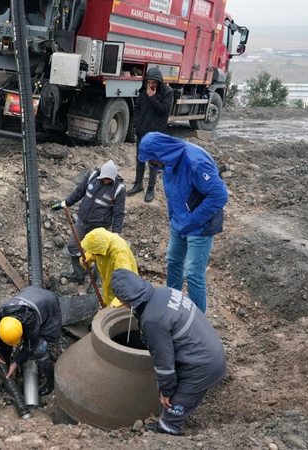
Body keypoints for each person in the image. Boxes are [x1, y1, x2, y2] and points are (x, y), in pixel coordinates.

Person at [110, 268, 227, 436]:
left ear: (126, 300)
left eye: (121, 300)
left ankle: (167, 433)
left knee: (172, 408)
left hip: (203, 365)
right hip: (209, 348)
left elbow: (164, 363)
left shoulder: (152, 320)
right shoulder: (165, 292)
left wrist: (166, 392)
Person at [137, 132, 228, 313]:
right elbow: (174, 192)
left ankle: (197, 321)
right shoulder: (169, 161)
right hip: (179, 221)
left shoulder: (195, 162)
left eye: (153, 161)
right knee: (173, 260)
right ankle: (172, 303)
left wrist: (192, 221)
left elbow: (219, 196)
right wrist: (174, 217)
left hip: (201, 225)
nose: (152, 165)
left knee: (193, 273)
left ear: (161, 154)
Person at [51, 160, 126, 284]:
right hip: (82, 222)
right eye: (104, 178)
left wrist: (116, 232)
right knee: (73, 246)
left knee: (98, 254)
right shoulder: (92, 177)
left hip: (99, 228)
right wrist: (65, 203)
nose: (106, 181)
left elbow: (118, 213)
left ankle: (96, 280)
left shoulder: (118, 189)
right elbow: (78, 193)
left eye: (109, 180)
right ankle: (79, 274)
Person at [0, 285, 62, 396]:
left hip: (49, 303)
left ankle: (51, 381)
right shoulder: (2, 313)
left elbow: (29, 348)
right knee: (4, 343)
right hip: (31, 292)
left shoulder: (31, 324)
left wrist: (16, 363)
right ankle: (6, 362)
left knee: (39, 350)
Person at [130, 67, 173, 203]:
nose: (151, 85)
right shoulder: (143, 91)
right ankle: (138, 184)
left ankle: (151, 189)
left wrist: (153, 97)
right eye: (149, 82)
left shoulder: (167, 92)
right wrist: (137, 123)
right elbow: (136, 107)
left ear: (159, 82)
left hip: (156, 134)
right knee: (140, 159)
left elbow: (164, 110)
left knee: (153, 162)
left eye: (153, 82)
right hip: (142, 131)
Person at [80, 227, 138, 308]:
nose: (95, 255)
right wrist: (86, 258)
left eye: (96, 254)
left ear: (103, 249)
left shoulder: (119, 252)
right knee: (109, 297)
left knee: (121, 310)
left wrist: (119, 300)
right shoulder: (100, 241)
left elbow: (126, 279)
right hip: (109, 279)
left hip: (124, 288)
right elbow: (92, 251)